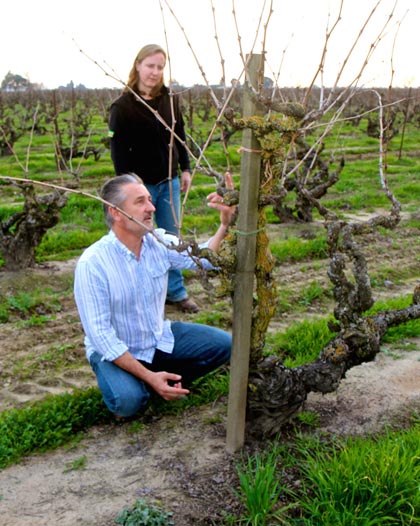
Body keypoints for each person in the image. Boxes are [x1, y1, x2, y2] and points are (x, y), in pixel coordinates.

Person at [74, 173, 234, 420]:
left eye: (149, 199)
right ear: (115, 212)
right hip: (115, 349)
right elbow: (101, 336)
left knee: (224, 346)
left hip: (157, 337)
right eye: (140, 202)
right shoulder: (93, 264)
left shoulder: (159, 242)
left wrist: (224, 225)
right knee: (128, 402)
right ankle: (145, 382)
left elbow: (205, 260)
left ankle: (156, 378)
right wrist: (150, 378)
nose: (151, 207)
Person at [108, 44, 198, 313]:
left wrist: (185, 168)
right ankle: (132, 293)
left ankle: (176, 292)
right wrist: (129, 187)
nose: (155, 72)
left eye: (160, 67)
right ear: (138, 66)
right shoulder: (122, 107)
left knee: (171, 239)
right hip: (140, 186)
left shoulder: (171, 100)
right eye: (150, 66)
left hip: (168, 182)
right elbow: (118, 151)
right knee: (136, 239)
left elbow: (179, 136)